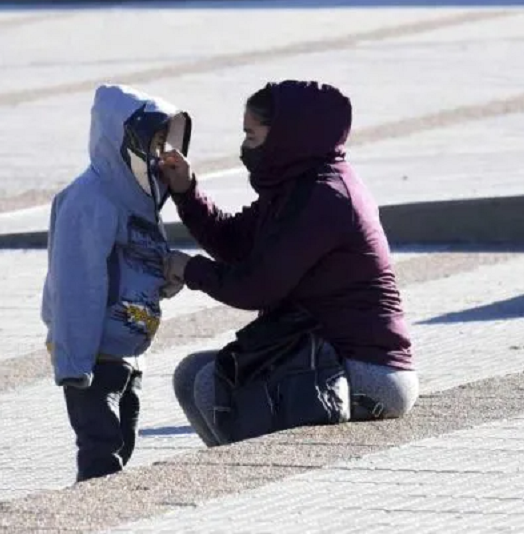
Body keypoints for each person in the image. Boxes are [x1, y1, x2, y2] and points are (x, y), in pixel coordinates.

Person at [161, 80, 418, 447]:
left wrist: (188, 269)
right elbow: (234, 244)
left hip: (369, 371)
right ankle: (236, 474)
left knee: (214, 385)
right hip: (318, 353)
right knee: (192, 374)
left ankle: (246, 482)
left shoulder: (324, 198)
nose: (245, 148)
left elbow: (256, 286)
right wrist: (186, 192)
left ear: (286, 136)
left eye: (252, 136)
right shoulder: (295, 187)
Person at [42, 85, 193, 482]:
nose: (159, 154)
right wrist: (74, 362)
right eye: (153, 142)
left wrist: (170, 274)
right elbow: (74, 285)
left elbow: (137, 265)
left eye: (164, 142)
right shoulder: (89, 200)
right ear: (124, 140)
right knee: (101, 452)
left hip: (129, 352)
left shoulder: (139, 198)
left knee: (123, 447)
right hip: (95, 356)